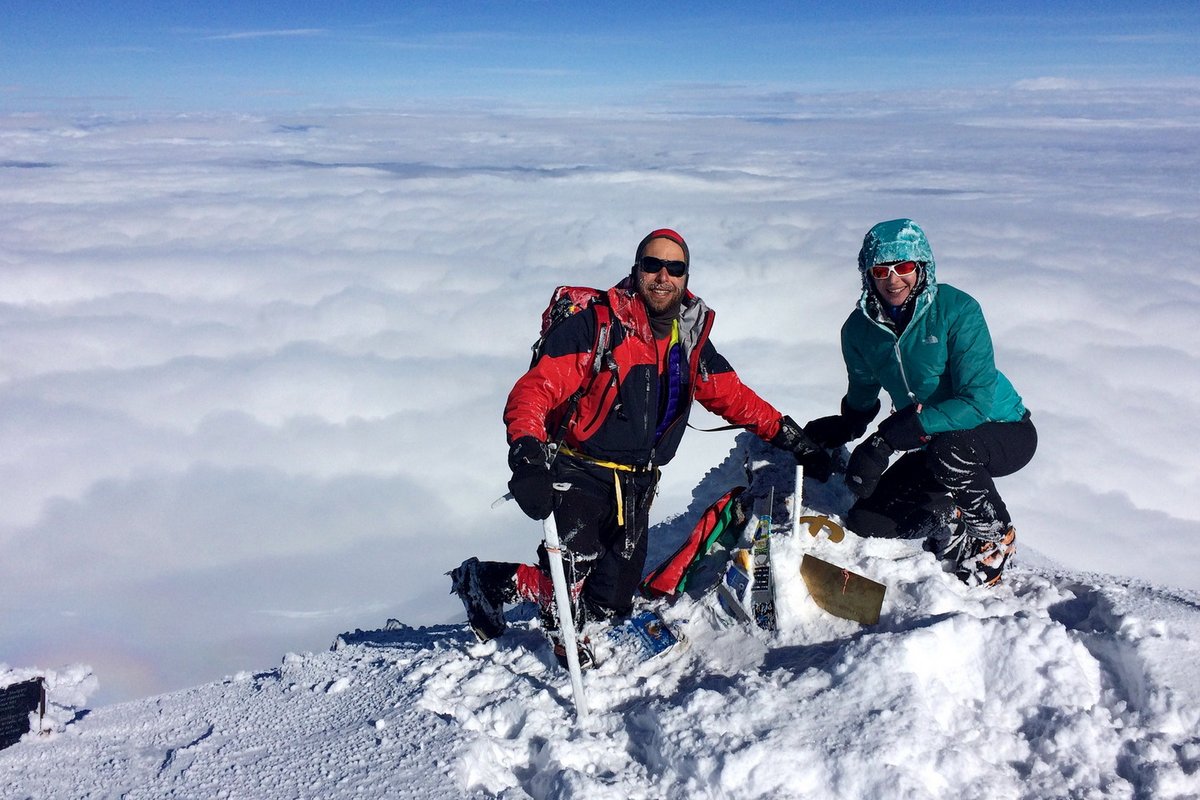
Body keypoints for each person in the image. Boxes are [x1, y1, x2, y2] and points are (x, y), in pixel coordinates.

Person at [450, 228, 830, 665]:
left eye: (675, 267)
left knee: (611, 604)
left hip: (635, 484)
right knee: (573, 562)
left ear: (686, 276)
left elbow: (731, 395)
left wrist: (786, 434)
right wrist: (527, 453)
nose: (663, 276)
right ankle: (564, 631)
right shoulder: (597, 326)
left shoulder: (688, 338)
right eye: (653, 265)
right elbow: (535, 391)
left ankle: (489, 580)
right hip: (578, 468)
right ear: (637, 270)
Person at [804, 219, 1037, 587]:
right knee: (867, 521)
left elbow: (976, 401)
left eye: (905, 267)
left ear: (922, 267)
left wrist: (889, 440)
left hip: (1003, 430)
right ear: (868, 275)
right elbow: (864, 391)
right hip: (933, 442)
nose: (893, 280)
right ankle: (949, 516)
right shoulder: (859, 330)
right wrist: (845, 425)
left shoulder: (957, 310)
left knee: (950, 451)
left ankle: (994, 537)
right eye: (881, 270)